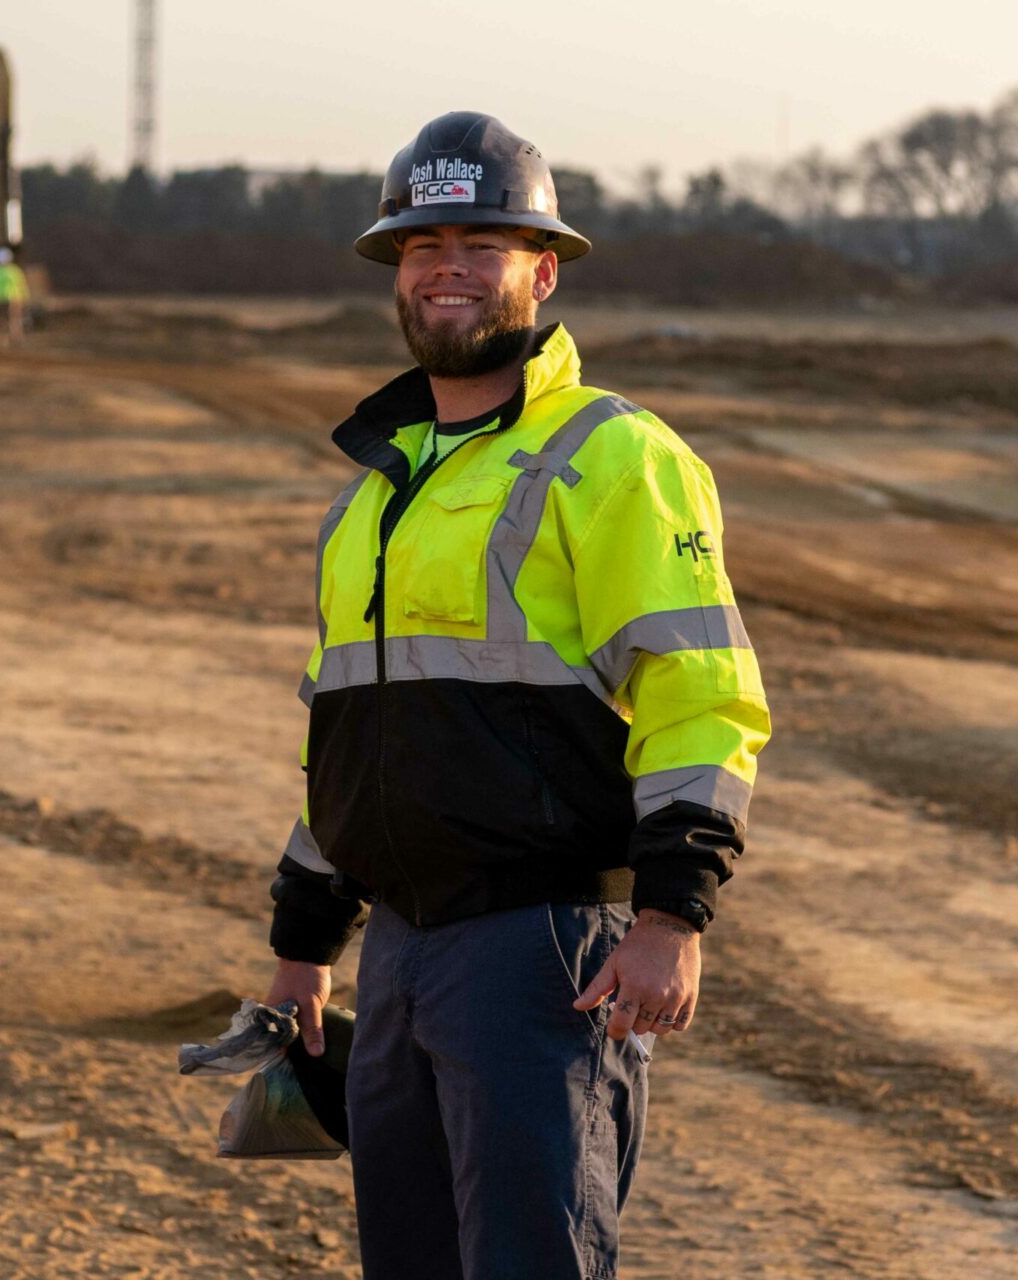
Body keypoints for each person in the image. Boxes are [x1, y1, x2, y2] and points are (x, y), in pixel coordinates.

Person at [264, 111, 769, 1280]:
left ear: (541, 273)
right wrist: (305, 942)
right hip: (397, 956)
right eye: (421, 245)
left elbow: (702, 691)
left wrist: (672, 911)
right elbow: (348, 738)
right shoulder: (378, 497)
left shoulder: (618, 455)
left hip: (544, 950)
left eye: (480, 245)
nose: (445, 267)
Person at [0, 246, 29, 347]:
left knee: (3, 320)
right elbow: (22, 285)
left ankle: (2, 340)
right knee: (12, 320)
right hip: (12, 299)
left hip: (3, 299)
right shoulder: (15, 271)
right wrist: (24, 297)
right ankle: (13, 339)